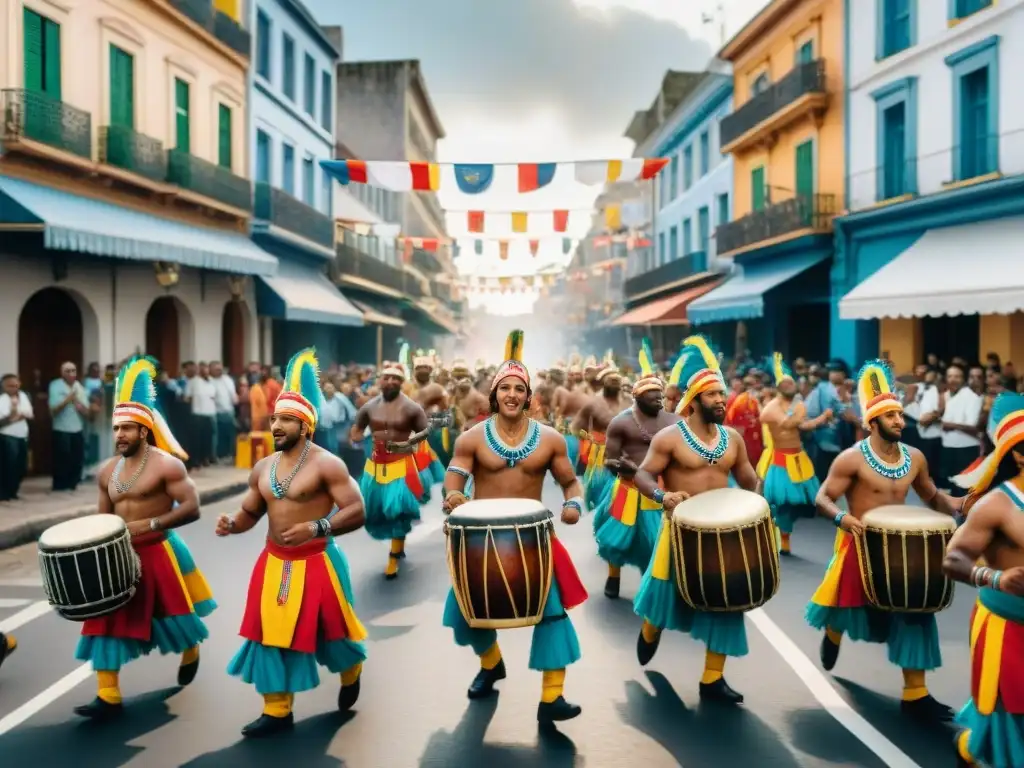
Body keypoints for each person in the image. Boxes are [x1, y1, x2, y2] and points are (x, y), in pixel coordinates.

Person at [441, 330, 588, 724]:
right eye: (504, 388)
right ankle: (491, 664)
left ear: (528, 396)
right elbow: (454, 478)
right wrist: (453, 498)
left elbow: (570, 482)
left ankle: (552, 697)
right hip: (479, 541)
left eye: (518, 388)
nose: (511, 394)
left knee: (554, 616)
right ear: (494, 395)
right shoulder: (471, 438)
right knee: (466, 616)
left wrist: (574, 502)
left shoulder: (551, 440)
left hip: (534, 540)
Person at [220, 348, 367, 738]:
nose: (277, 425)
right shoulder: (263, 468)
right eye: (275, 418)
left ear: (306, 426)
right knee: (268, 632)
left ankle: (351, 670)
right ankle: (276, 709)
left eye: (287, 419)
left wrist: (317, 527)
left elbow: (356, 509)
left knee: (332, 634)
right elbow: (251, 511)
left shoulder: (327, 464)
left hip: (318, 561)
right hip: (273, 562)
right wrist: (233, 523)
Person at [806, 359, 960, 722]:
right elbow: (822, 498)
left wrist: (963, 503)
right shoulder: (851, 459)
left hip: (902, 551)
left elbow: (933, 497)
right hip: (858, 546)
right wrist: (842, 518)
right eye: (891, 417)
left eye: (901, 416)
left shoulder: (915, 458)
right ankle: (833, 631)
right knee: (846, 608)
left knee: (916, 614)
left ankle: (916, 694)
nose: (900, 422)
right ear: (872, 422)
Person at [74, 356, 213, 719]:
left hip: (158, 550)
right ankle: (108, 694)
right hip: (120, 554)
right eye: (116, 428)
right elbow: (103, 516)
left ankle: (191, 649)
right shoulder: (107, 471)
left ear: (144, 430)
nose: (119, 434)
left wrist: (151, 525)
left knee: (174, 619)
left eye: (127, 428)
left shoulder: (168, 465)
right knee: (104, 621)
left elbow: (192, 507)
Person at [631, 335, 760, 703]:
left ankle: (712, 679)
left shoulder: (732, 438)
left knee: (727, 602)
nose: (722, 400)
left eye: (723, 394)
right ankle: (651, 629)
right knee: (664, 597)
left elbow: (749, 479)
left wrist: (758, 506)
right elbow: (642, 475)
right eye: (714, 395)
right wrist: (662, 495)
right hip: (680, 529)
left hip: (724, 534)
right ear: (694, 400)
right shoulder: (669, 438)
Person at [943, 392, 1024, 767]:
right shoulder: (997, 504)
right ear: (1019, 454)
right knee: (1007, 720)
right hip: (1006, 630)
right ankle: (970, 751)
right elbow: (953, 559)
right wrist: (995, 576)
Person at [593, 339, 681, 599]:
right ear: (638, 398)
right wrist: (624, 469)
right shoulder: (620, 423)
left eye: (660, 398)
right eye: (652, 398)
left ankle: (650, 586)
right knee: (615, 541)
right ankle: (613, 575)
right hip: (628, 490)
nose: (658, 402)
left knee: (655, 543)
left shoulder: (674, 420)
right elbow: (609, 461)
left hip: (661, 490)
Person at [351, 349, 434, 579]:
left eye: (395, 378)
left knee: (397, 512)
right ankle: (398, 545)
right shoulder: (368, 406)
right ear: (380, 380)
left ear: (401, 382)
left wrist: (408, 443)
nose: (390, 381)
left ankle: (394, 557)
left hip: (401, 466)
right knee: (374, 513)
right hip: (374, 467)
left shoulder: (411, 407)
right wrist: (356, 437)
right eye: (386, 378)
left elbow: (425, 431)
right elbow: (357, 427)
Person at [760, 353, 833, 555]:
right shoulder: (772, 407)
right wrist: (798, 414)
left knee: (797, 503)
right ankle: (781, 538)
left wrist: (821, 419)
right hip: (781, 460)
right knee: (782, 502)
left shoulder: (797, 405)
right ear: (779, 387)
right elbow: (785, 423)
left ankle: (782, 531)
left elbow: (802, 425)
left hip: (798, 458)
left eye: (792, 382)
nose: (791, 385)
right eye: (787, 382)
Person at [571, 364, 625, 511]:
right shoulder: (593, 403)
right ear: (603, 382)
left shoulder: (629, 402)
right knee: (599, 490)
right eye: (609, 378)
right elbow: (575, 427)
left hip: (623, 455)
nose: (613, 381)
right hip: (599, 457)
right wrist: (590, 438)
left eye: (616, 378)